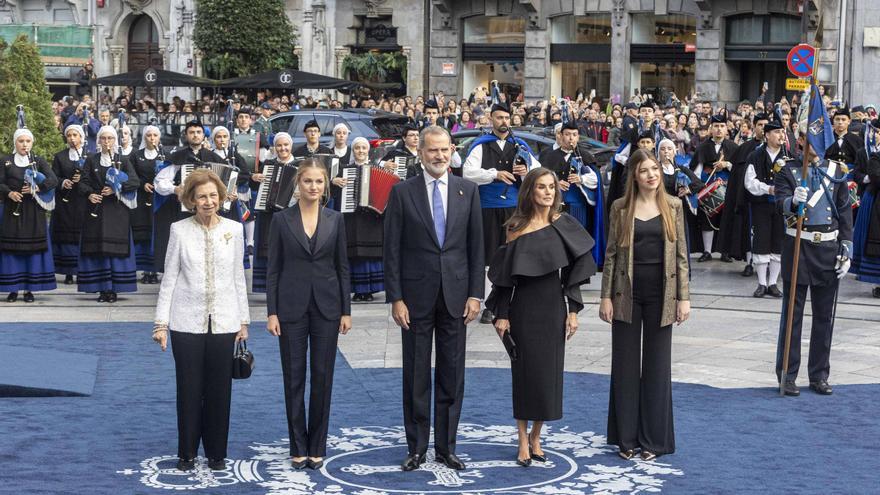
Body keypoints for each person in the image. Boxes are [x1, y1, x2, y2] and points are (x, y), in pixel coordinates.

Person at [384, 126, 484, 472]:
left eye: (444, 150)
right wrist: (395, 297)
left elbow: (476, 247)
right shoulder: (402, 193)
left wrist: (475, 293)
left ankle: (446, 447)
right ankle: (417, 447)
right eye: (432, 151)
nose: (439, 156)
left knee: (452, 373)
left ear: (451, 150)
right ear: (420, 153)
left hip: (456, 295)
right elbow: (391, 250)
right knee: (415, 374)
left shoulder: (467, 191)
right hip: (414, 298)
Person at [486, 168, 596, 467]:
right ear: (530, 192)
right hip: (522, 309)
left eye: (551, 187)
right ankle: (522, 439)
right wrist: (502, 315)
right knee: (524, 375)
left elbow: (575, 273)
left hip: (553, 309)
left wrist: (573, 310)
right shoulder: (515, 227)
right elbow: (504, 279)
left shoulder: (564, 224)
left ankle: (537, 436)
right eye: (541, 188)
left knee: (548, 377)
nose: (547, 192)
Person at [152, 168, 250, 473]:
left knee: (220, 390)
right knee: (189, 389)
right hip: (185, 322)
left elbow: (238, 278)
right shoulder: (179, 230)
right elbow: (170, 278)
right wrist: (160, 324)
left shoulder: (233, 229)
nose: (208, 201)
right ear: (191, 200)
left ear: (221, 198)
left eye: (212, 196)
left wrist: (244, 321)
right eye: (201, 196)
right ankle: (187, 453)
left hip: (225, 322)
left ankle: (217, 454)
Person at [600, 149, 690, 461]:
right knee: (624, 366)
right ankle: (626, 439)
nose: (651, 174)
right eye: (644, 170)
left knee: (657, 366)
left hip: (662, 295)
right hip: (627, 294)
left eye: (655, 169)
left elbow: (681, 256)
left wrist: (684, 298)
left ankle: (654, 440)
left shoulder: (674, 206)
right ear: (634, 176)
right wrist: (605, 296)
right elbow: (610, 254)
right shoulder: (621, 207)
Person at [266, 159, 352, 470]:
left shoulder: (336, 220)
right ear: (297, 184)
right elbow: (273, 269)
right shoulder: (280, 220)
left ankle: (317, 445)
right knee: (293, 378)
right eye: (308, 182)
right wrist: (272, 312)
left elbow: (343, 267)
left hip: (328, 307)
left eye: (318, 182)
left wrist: (346, 310)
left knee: (322, 377)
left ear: (325, 185)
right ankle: (297, 446)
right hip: (290, 308)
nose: (313, 187)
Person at [774, 123, 853, 397]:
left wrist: (846, 249)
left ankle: (819, 374)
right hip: (798, 247)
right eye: (808, 140)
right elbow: (779, 203)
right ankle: (787, 374)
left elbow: (844, 212)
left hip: (827, 251)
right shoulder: (787, 170)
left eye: (818, 140)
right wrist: (791, 201)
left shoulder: (837, 172)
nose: (813, 145)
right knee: (792, 318)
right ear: (800, 142)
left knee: (823, 318)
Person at [462, 101, 539, 323]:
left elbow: (538, 171)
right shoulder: (481, 145)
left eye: (506, 118)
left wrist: (526, 171)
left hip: (514, 209)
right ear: (491, 119)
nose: (503, 122)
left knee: (513, 253)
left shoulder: (520, 145)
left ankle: (511, 301)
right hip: (487, 208)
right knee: (489, 255)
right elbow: (468, 173)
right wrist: (494, 174)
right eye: (499, 118)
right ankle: (489, 304)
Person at [77, 126, 140, 302]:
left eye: (110, 139)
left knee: (114, 249)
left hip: (116, 210)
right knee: (99, 249)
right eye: (103, 139)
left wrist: (116, 189)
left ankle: (114, 289)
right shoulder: (92, 160)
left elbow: (135, 181)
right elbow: (82, 183)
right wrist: (90, 193)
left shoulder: (123, 160)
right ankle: (102, 288)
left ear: (115, 141)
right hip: (96, 210)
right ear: (98, 141)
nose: (107, 142)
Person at [152, 120, 223, 275]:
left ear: (204, 135)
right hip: (182, 210)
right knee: (185, 245)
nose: (195, 135)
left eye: (198, 132)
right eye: (192, 132)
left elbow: (223, 183)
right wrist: (175, 189)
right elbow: (159, 181)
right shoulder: (177, 156)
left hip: (208, 210)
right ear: (186, 135)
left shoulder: (214, 157)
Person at [0, 127, 58, 302]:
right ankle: (13, 289)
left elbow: (53, 180)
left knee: (32, 249)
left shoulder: (38, 161)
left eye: (28, 141)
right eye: (21, 141)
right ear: (15, 143)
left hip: (33, 211)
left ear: (32, 143)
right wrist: (9, 192)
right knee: (13, 249)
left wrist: (37, 188)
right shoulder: (5, 161)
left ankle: (29, 290)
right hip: (12, 211)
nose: (24, 144)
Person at [538, 119, 606, 267]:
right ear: (560, 136)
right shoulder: (547, 155)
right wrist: (555, 183)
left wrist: (581, 179)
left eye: (574, 135)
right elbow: (538, 177)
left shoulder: (585, 156)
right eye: (567, 134)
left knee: (577, 240)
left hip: (578, 206)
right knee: (556, 240)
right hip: (554, 207)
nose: (571, 138)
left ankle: (577, 275)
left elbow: (595, 180)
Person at [743, 118, 789, 298]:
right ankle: (762, 283)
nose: (781, 135)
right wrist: (767, 188)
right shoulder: (755, 155)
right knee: (761, 241)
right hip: (761, 205)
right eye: (777, 132)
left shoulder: (788, 155)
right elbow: (749, 181)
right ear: (767, 135)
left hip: (781, 206)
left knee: (778, 242)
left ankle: (773, 284)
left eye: (782, 132)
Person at [340, 137, 387, 301]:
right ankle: (358, 290)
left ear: (368, 150)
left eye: (363, 148)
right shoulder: (346, 169)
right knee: (355, 254)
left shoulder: (375, 168)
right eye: (357, 148)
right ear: (353, 151)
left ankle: (370, 290)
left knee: (370, 254)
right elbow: (337, 192)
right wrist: (335, 182)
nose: (360, 151)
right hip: (352, 217)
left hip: (371, 218)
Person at [688, 114, 739, 261]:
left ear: (726, 128)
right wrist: (700, 189)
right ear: (711, 129)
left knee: (726, 220)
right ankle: (707, 251)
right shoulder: (702, 147)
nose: (719, 129)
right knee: (707, 220)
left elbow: (739, 170)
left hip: (727, 190)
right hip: (707, 189)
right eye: (716, 126)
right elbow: (695, 171)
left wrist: (727, 164)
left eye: (722, 126)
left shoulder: (733, 147)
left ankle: (725, 252)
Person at [252, 132, 297, 293]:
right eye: (279, 145)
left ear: (291, 146)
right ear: (275, 147)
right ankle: (272, 287)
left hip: (294, 215)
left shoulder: (301, 164)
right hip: (270, 213)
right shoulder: (268, 165)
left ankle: (290, 285)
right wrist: (254, 178)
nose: (283, 148)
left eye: (286, 145)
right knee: (272, 251)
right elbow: (259, 187)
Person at [51, 124, 88, 284]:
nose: (72, 138)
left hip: (82, 201)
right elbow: (53, 177)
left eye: (75, 135)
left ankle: (81, 269)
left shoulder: (90, 156)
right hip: (65, 202)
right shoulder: (60, 156)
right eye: (69, 135)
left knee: (82, 234)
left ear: (81, 137)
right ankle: (67, 272)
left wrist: (83, 180)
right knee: (66, 235)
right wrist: (63, 182)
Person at [130, 125, 163, 284]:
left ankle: (155, 269)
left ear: (159, 137)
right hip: (142, 200)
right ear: (144, 137)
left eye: (155, 135)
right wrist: (143, 184)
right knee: (142, 234)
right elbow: (131, 175)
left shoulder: (164, 155)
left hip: (159, 199)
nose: (152, 138)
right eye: (149, 135)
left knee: (156, 233)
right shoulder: (136, 156)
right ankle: (144, 269)